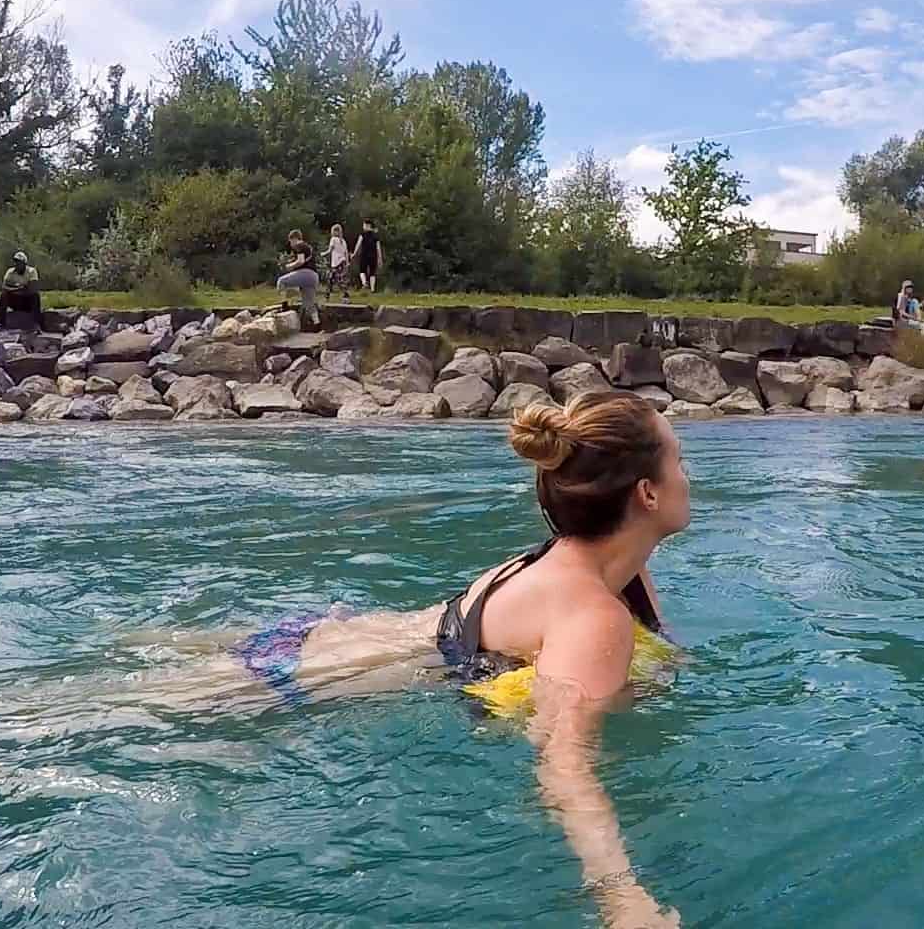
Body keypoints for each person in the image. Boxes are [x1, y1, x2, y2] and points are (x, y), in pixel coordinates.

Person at [93, 392, 688, 928]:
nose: (690, 475)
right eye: (679, 460)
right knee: (53, 719)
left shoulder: (596, 569)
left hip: (323, 637)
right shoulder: (592, 614)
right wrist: (620, 895)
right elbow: (564, 762)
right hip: (307, 678)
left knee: (104, 686)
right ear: (647, 493)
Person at [276, 230, 321, 328]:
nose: (291, 245)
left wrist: (289, 266)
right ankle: (317, 325)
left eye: (291, 242)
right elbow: (304, 260)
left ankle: (284, 307)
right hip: (314, 277)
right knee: (309, 303)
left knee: (281, 281)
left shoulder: (299, 245)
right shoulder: (308, 247)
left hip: (306, 274)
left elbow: (300, 261)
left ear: (294, 239)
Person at [0, 251, 44, 333]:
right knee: (4, 295)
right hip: (16, 301)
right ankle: (0, 323)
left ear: (24, 263)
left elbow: (32, 288)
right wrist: (20, 288)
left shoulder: (31, 271)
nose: (17, 264)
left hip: (28, 302)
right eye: (16, 262)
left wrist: (13, 288)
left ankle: (36, 325)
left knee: (35, 295)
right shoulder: (10, 272)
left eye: (19, 262)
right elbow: (4, 287)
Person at [324, 224, 352, 302]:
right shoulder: (343, 241)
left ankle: (329, 296)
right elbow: (346, 252)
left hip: (336, 262)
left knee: (332, 279)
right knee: (340, 279)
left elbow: (330, 250)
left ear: (335, 231)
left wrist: (323, 254)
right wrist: (347, 262)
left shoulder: (333, 239)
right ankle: (343, 296)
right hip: (342, 261)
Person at [353, 219, 382, 294]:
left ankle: (364, 283)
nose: (363, 227)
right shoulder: (375, 236)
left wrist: (354, 253)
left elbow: (358, 244)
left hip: (364, 255)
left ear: (367, 225)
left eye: (364, 225)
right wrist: (380, 259)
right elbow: (378, 248)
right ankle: (372, 289)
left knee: (362, 270)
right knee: (372, 273)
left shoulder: (362, 234)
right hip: (373, 256)